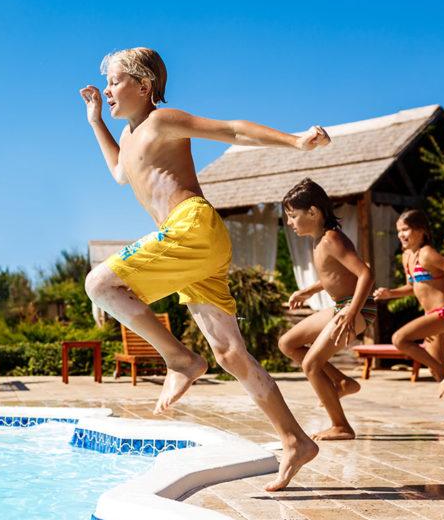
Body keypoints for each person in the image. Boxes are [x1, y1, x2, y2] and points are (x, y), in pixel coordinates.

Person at [79, 47, 330, 490]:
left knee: (99, 283)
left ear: (145, 85)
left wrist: (294, 141)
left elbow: (232, 130)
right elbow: (120, 170)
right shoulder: (135, 137)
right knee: (230, 353)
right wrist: (97, 120)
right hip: (195, 247)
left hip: (190, 226)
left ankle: (179, 358)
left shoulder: (161, 120)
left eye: (116, 82)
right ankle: (295, 441)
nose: (109, 90)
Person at [278, 178, 375, 440]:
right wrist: (308, 290)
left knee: (310, 364)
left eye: (292, 215)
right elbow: (335, 276)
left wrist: (352, 312)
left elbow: (365, 273)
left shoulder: (332, 238)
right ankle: (342, 382)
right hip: (341, 306)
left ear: (313, 212)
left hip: (358, 308)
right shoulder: (319, 239)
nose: (290, 222)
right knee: (288, 343)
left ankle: (341, 425)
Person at [373, 209, 444, 425]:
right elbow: (413, 287)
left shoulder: (427, 253)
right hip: (432, 316)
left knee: (399, 339)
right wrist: (390, 293)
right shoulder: (407, 257)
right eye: (399, 231)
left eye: (406, 229)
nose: (401, 235)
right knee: (435, 369)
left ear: (421, 231)